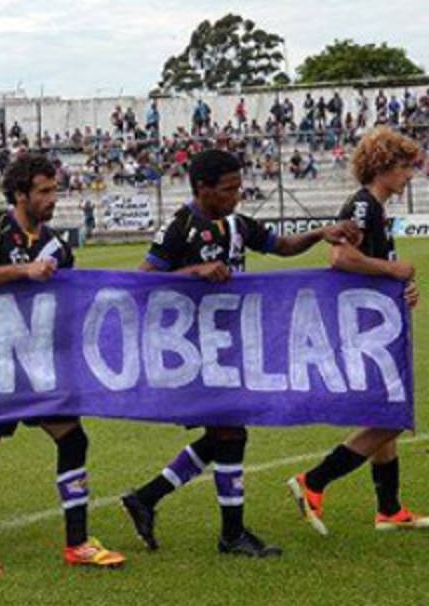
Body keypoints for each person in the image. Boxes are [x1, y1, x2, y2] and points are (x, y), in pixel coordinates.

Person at [119, 149, 360, 558]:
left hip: (230, 345)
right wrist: (193, 272)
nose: (237, 195)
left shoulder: (236, 223)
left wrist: (321, 233)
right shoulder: (180, 227)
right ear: (202, 188)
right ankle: (231, 534)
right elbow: (139, 284)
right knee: (230, 433)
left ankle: (147, 498)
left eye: (238, 187)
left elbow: (282, 246)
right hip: (192, 349)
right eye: (228, 189)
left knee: (224, 434)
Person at [0, 155, 125, 578]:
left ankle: (78, 543)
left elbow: (70, 300)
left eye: (54, 190)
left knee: (74, 440)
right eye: (44, 191)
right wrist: (23, 270)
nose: (52, 199)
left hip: (40, 367)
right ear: (20, 194)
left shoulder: (58, 247)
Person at [287, 127, 426, 534]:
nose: (410, 175)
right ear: (384, 166)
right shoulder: (363, 205)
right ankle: (313, 481)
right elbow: (340, 257)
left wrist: (401, 288)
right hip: (362, 329)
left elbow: (372, 268)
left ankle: (389, 510)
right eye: (405, 167)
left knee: (382, 412)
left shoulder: (374, 208)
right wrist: (393, 270)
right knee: (391, 417)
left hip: (373, 324)